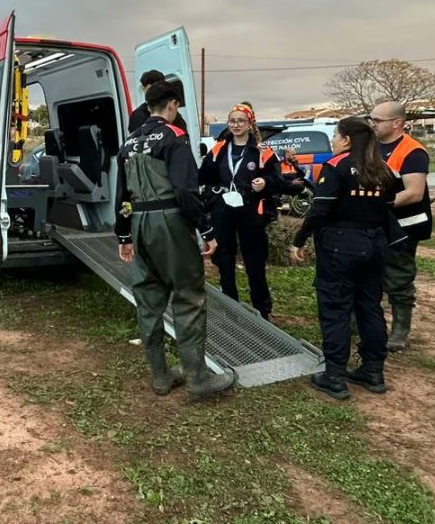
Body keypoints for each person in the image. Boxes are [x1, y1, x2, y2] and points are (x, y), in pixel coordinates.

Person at [115, 80, 235, 400]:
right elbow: (185, 190)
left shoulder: (129, 143)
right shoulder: (174, 137)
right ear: (172, 105)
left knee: (148, 299)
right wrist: (205, 229)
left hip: (139, 222)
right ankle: (197, 378)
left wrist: (124, 234)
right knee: (188, 296)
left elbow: (122, 195)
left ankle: (160, 376)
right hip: (170, 222)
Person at [290, 116, 404, 399]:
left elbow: (319, 210)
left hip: (341, 246)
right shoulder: (382, 168)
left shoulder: (336, 166)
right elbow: (389, 205)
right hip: (375, 244)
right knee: (370, 307)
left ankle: (335, 376)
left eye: (336, 135)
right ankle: (373, 371)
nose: (333, 140)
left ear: (347, 139)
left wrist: (299, 240)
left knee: (335, 308)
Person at [197, 102, 286, 320]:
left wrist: (264, 182)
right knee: (224, 260)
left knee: (254, 260)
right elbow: (204, 176)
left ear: (250, 123)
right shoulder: (219, 148)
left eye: (241, 121)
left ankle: (262, 310)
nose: (236, 125)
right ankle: (230, 306)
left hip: (251, 209)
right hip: (223, 208)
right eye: (232, 121)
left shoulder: (262, 151)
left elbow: (278, 179)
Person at [368, 101, 432, 350]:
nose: (372, 124)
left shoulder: (412, 152)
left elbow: (414, 193)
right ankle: (365, 322)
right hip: (376, 225)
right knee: (369, 274)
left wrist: (378, 204)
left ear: (397, 123)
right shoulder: (372, 148)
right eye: (371, 119)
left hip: (404, 228)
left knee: (398, 278)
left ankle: (400, 331)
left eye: (377, 120)